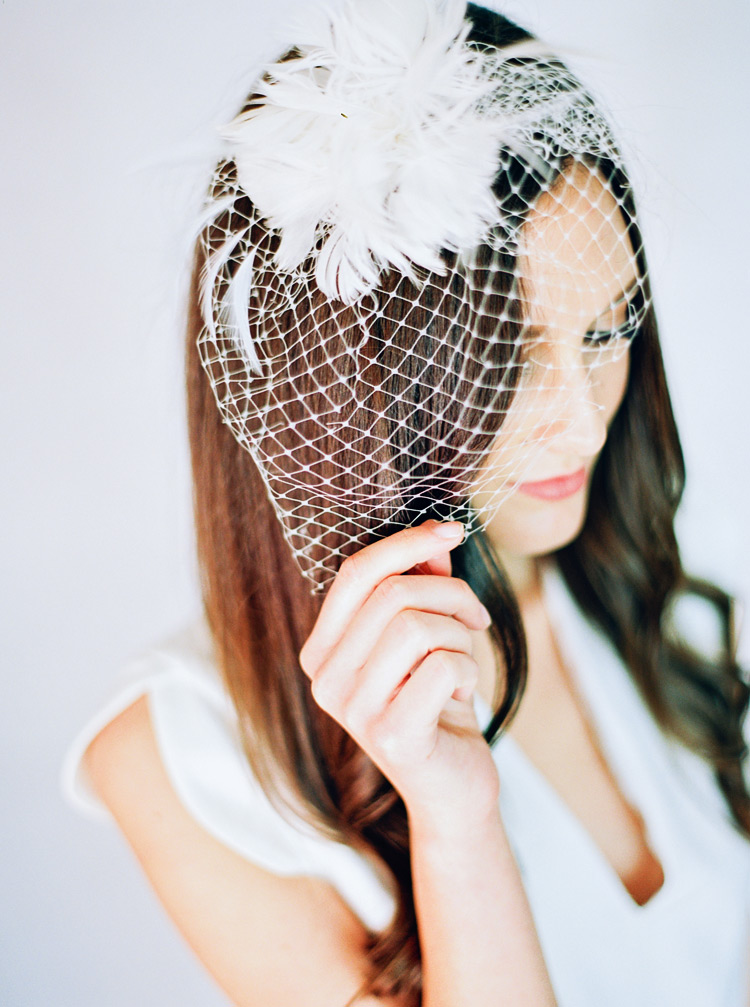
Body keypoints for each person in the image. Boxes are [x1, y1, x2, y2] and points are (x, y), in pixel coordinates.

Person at [62, 1, 750, 1005]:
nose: (585, 424)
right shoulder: (186, 753)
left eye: (606, 332)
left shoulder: (645, 590)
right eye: (507, 363)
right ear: (346, 386)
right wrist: (457, 817)